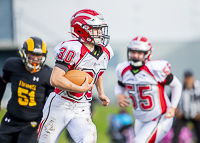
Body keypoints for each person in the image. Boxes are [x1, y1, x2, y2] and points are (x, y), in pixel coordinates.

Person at [37, 9, 114, 143]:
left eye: (100, 28)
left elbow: (97, 71)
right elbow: (55, 79)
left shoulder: (105, 51)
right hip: (60, 104)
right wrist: (79, 88)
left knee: (89, 139)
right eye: (95, 29)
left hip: (82, 106)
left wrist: (101, 93)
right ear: (82, 30)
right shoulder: (72, 49)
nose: (100, 32)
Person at [114, 36, 182, 143]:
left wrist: (173, 107)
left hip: (159, 116)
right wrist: (119, 94)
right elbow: (120, 85)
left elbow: (176, 85)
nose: (135, 56)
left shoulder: (155, 69)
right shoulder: (124, 69)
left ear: (147, 54)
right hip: (140, 119)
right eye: (133, 52)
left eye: (139, 53)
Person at [0, 37, 54, 143]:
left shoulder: (48, 74)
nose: (35, 58)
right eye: (32, 54)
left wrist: (47, 120)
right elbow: (3, 80)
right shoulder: (12, 66)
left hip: (33, 123)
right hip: (11, 118)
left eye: (38, 55)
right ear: (24, 53)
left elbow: (52, 99)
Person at [172, 70, 200, 143]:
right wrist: (176, 110)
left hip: (196, 115)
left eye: (190, 78)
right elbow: (170, 100)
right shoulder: (179, 87)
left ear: (193, 78)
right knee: (176, 133)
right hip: (182, 115)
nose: (188, 80)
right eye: (187, 78)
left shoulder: (198, 87)